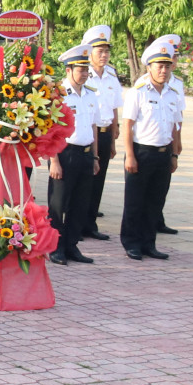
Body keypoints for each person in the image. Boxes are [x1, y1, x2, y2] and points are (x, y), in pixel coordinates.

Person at [120, 36, 184, 262]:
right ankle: (131, 243)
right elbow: (127, 125)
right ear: (149, 67)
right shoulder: (138, 92)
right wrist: (130, 155)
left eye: (167, 66)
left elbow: (176, 125)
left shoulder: (173, 94)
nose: (164, 71)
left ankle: (149, 244)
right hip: (141, 152)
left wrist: (174, 154)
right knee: (135, 201)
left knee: (155, 202)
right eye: (160, 66)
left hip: (163, 153)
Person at [45, 49, 100, 265]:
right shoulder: (58, 94)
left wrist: (95, 157)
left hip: (85, 154)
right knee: (58, 205)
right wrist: (54, 161)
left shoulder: (91, 94)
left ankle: (71, 245)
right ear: (68, 70)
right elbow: (50, 129)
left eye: (87, 70)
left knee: (80, 204)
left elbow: (93, 126)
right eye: (81, 69)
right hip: (65, 154)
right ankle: (55, 247)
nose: (85, 73)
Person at [79, 26, 123, 241]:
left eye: (107, 51)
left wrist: (114, 135)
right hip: (87, 134)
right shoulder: (82, 75)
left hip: (105, 134)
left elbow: (114, 107)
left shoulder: (111, 76)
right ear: (90, 51)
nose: (104, 55)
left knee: (99, 179)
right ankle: (78, 223)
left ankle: (90, 223)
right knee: (85, 180)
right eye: (100, 51)